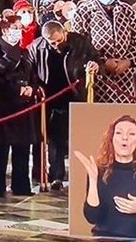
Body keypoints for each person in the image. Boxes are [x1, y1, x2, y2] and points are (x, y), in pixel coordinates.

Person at [27, 21, 102, 190]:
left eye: (58, 41)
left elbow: (96, 59)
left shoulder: (80, 42)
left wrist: (95, 66)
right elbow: (29, 70)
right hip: (45, 97)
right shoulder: (36, 47)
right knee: (45, 137)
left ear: (64, 33)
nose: (55, 46)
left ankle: (71, 174)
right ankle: (45, 175)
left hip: (73, 95)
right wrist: (34, 88)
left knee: (67, 137)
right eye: (51, 43)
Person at [75, 115, 136, 239]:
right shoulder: (98, 172)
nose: (125, 138)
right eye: (119, 133)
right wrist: (93, 179)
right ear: (111, 139)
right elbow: (92, 217)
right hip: (106, 239)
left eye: (131, 134)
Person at [0, 16, 39, 197]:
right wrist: (16, 88)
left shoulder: (25, 52)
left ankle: (22, 185)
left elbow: (33, 75)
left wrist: (31, 88)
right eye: (14, 27)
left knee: (23, 148)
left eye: (20, 27)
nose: (18, 30)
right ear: (5, 30)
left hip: (24, 106)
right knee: (0, 149)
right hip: (4, 106)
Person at [71, 0, 136, 103]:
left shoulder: (127, 10)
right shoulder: (83, 11)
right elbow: (79, 44)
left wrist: (128, 61)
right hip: (98, 77)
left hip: (124, 78)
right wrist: (102, 61)